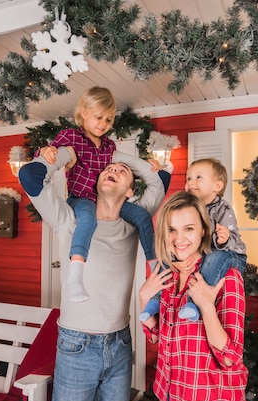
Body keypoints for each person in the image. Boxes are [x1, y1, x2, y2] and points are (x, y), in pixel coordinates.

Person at [18, 146, 165, 401]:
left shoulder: (133, 224)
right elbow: (29, 176)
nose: (113, 170)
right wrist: (63, 156)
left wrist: (115, 157)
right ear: (95, 183)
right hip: (77, 346)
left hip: (120, 343)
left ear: (130, 192)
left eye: (121, 171)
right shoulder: (68, 218)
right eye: (108, 169)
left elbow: (162, 178)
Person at [38, 86, 169, 302]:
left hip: (105, 200)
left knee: (143, 216)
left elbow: (129, 166)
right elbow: (50, 152)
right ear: (83, 112)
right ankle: (76, 275)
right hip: (82, 200)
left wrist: (151, 165)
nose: (104, 124)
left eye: (108, 120)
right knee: (87, 221)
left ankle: (157, 270)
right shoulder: (72, 137)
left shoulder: (109, 145)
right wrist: (45, 151)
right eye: (99, 118)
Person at [139, 191, 249, 401]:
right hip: (174, 398)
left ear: (204, 231)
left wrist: (206, 307)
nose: (179, 239)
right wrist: (144, 300)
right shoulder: (166, 276)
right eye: (172, 230)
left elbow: (229, 358)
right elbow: (158, 337)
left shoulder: (225, 277)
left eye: (188, 228)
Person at [139, 158, 247, 321]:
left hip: (228, 254)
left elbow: (232, 238)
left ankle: (193, 303)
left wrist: (223, 239)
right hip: (206, 253)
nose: (190, 182)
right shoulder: (191, 209)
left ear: (217, 186)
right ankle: (154, 302)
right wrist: (174, 262)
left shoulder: (223, 209)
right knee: (166, 262)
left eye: (198, 177)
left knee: (213, 257)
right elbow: (155, 335)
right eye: (188, 178)